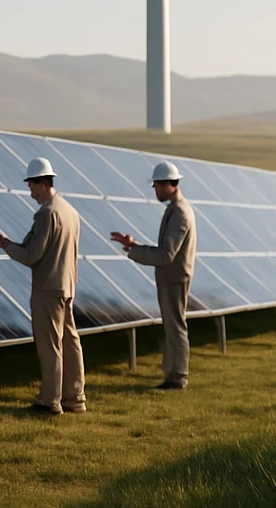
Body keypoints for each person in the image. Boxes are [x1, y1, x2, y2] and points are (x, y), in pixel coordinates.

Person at [0, 157, 85, 415]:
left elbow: (33, 254)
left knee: (49, 345)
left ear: (43, 183)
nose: (30, 191)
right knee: (69, 342)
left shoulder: (47, 214)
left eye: (32, 185)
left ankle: (50, 400)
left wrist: (7, 246)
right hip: (67, 285)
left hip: (48, 288)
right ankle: (75, 397)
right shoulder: (69, 211)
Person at [110, 161, 197, 390]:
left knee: (176, 326)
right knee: (172, 325)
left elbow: (166, 254)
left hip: (175, 277)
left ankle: (178, 377)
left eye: (157, 185)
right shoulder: (176, 209)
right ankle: (173, 375)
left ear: (170, 184)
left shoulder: (180, 212)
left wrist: (135, 251)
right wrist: (133, 244)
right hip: (172, 276)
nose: (155, 190)